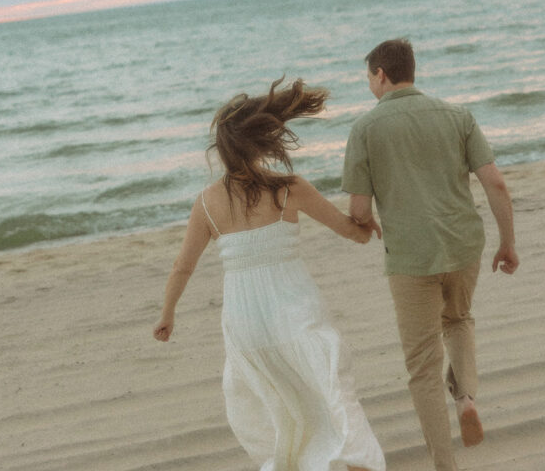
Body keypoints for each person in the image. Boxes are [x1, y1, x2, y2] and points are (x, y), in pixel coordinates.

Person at [153, 76, 386, 471]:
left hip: (245, 321)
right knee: (327, 382)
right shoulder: (288, 188)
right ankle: (351, 457)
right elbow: (348, 230)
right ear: (260, 142)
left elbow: (182, 266)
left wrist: (167, 314)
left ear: (223, 151)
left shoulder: (207, 203)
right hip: (293, 307)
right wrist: (366, 226)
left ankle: (303, 462)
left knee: (274, 399)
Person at [342, 38, 519, 471]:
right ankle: (466, 399)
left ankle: (445, 464)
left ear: (380, 74)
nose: (369, 84)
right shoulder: (457, 115)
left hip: (410, 259)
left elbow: (359, 210)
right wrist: (507, 242)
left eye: (369, 76)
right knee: (457, 320)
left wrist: (365, 224)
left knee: (422, 365)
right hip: (463, 245)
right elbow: (495, 183)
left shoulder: (365, 129)